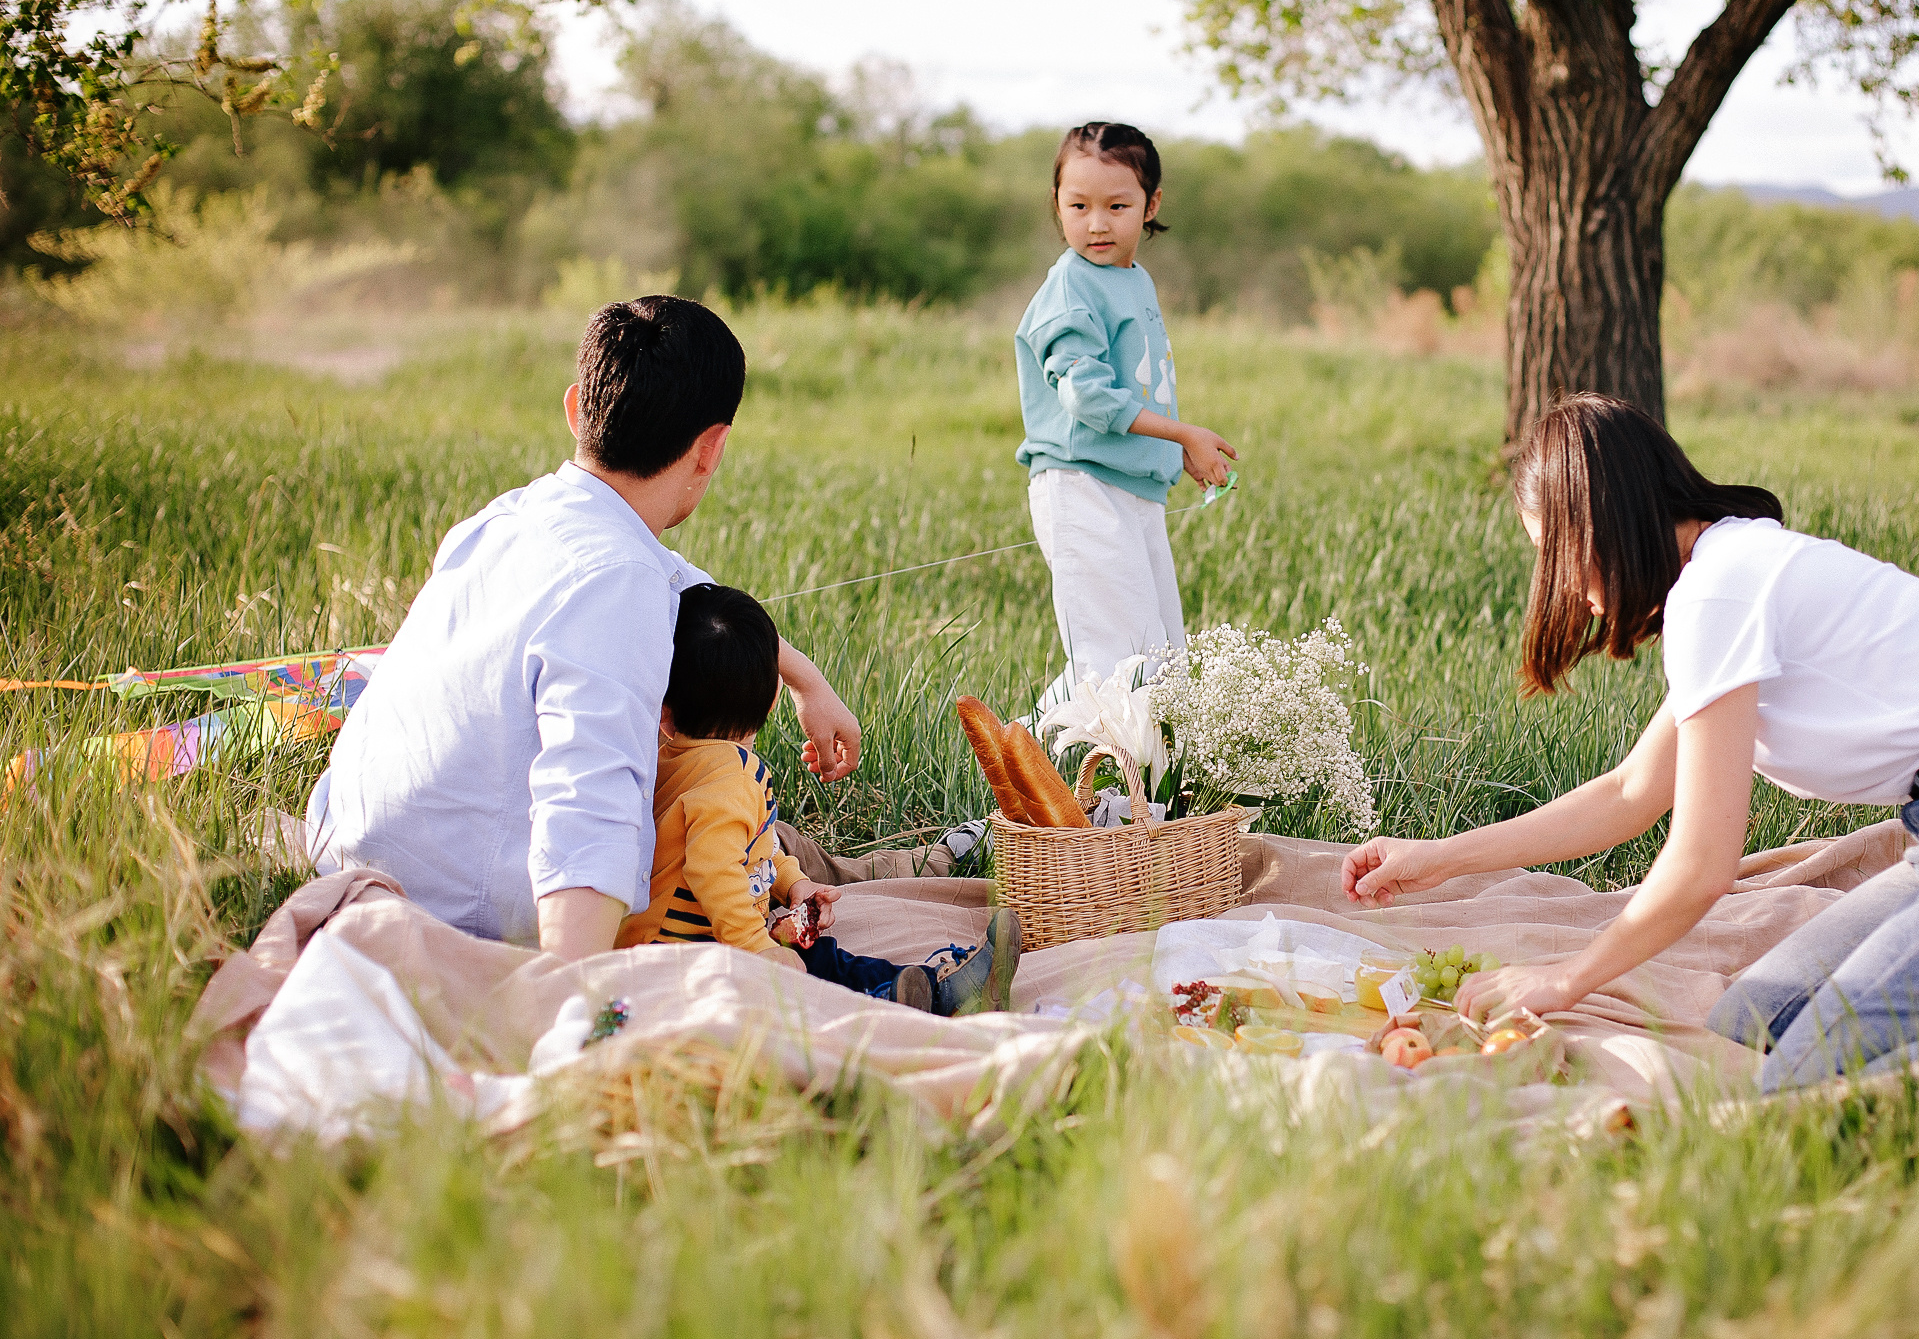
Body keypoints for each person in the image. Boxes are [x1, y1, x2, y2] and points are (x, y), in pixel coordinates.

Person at [1341, 395, 1919, 1132]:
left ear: (1599, 517)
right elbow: (1633, 792)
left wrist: (1568, 977)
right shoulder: (1723, 581)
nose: (1566, 588)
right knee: (1751, 1027)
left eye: (1555, 552)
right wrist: (1441, 856)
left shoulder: (1721, 588)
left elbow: (1699, 867)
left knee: (1805, 1084)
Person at [309, 296, 979, 957]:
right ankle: (925, 866)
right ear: (711, 450)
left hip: (349, 846)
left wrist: (806, 681)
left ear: (576, 407)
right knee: (716, 804)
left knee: (724, 800)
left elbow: (677, 579)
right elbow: (589, 801)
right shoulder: (615, 586)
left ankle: (897, 865)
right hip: (465, 909)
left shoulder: (507, 519)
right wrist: (577, 998)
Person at [618, 583, 1020, 1015]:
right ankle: (931, 996)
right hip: (688, 956)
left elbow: (757, 849)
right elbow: (712, 870)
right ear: (775, 697)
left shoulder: (677, 760)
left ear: (664, 712)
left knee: (822, 958)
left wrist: (794, 883)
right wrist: (759, 949)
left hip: (692, 942)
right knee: (822, 968)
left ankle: (912, 989)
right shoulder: (729, 785)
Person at [1014, 121, 1236, 708]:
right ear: (1056, 204)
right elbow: (1088, 397)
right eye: (1077, 205)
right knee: (1113, 659)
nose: (1096, 223)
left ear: (1150, 204)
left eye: (1117, 205)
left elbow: (1142, 389)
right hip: (1080, 485)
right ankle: (1055, 785)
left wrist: (1172, 449)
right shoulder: (1070, 287)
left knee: (1159, 658)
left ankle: (1107, 790)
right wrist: (1183, 432)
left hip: (1133, 490)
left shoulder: (1131, 280)